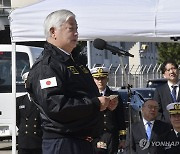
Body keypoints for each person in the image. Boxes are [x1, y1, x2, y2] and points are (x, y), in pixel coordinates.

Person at [26, 9, 112, 154]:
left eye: (77, 29)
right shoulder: (47, 66)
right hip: (63, 142)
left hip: (83, 140)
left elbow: (83, 95)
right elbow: (56, 106)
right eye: (71, 29)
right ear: (53, 32)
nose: (76, 33)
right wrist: (96, 103)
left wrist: (104, 103)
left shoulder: (74, 62)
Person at [90, 66, 126, 154]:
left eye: (103, 78)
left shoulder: (115, 95)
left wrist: (123, 138)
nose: (100, 81)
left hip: (111, 135)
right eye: (97, 78)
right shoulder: (90, 96)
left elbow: (120, 118)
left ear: (107, 79)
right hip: (95, 136)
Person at [16, 72, 42, 154]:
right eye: (27, 82)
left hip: (38, 141)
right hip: (24, 141)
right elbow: (17, 120)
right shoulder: (19, 100)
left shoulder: (41, 100)